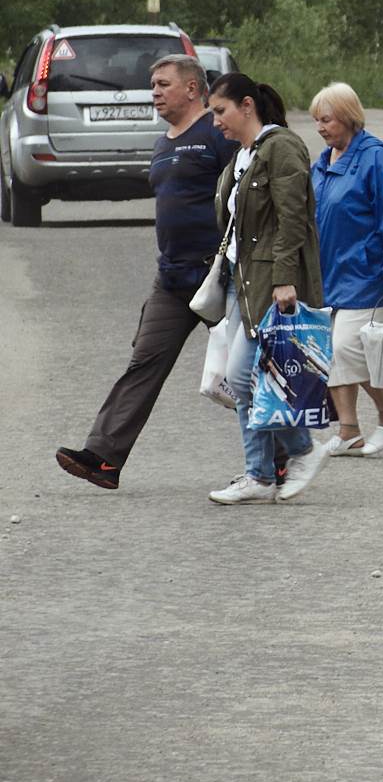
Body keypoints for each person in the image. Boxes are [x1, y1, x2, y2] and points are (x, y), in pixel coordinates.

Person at [55, 54, 236, 489]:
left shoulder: (218, 133)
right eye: (152, 84)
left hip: (220, 276)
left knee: (247, 369)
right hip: (172, 280)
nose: (153, 92)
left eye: (163, 84)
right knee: (143, 363)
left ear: (193, 89)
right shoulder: (164, 142)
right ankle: (103, 457)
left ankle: (284, 455)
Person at [207, 73, 329, 505]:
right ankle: (259, 474)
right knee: (243, 380)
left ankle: (302, 450)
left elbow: (292, 219)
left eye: (220, 112)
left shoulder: (282, 147)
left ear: (246, 105)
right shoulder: (242, 156)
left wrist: (283, 278)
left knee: (243, 377)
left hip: (269, 284)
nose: (216, 122)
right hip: (242, 283)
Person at [309, 82, 383, 459]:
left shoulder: (377, 158)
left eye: (327, 119)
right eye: (316, 121)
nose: (321, 128)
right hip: (330, 275)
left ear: (349, 116)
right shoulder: (323, 163)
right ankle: (349, 429)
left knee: (346, 348)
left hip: (367, 273)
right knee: (332, 350)